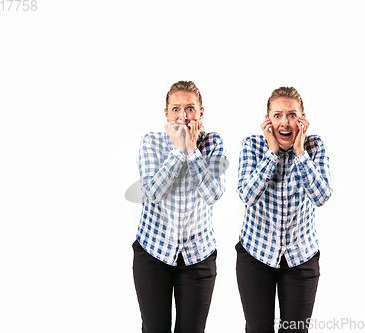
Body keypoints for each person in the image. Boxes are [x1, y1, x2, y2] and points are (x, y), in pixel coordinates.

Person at [132, 81, 227, 333]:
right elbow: (152, 193)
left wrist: (192, 149)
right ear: (166, 114)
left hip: (198, 256)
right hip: (153, 253)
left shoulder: (214, 143)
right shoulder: (151, 142)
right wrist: (178, 150)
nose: (183, 116)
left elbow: (213, 194)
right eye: (175, 109)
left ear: (201, 112)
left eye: (190, 109)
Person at [236, 87, 333, 333]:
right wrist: (272, 153)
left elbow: (321, 196)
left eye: (292, 115)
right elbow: (247, 195)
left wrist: (300, 152)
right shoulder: (253, 146)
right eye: (277, 115)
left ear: (302, 118)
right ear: (268, 119)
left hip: (301, 257)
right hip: (256, 256)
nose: (285, 122)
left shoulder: (314, 146)